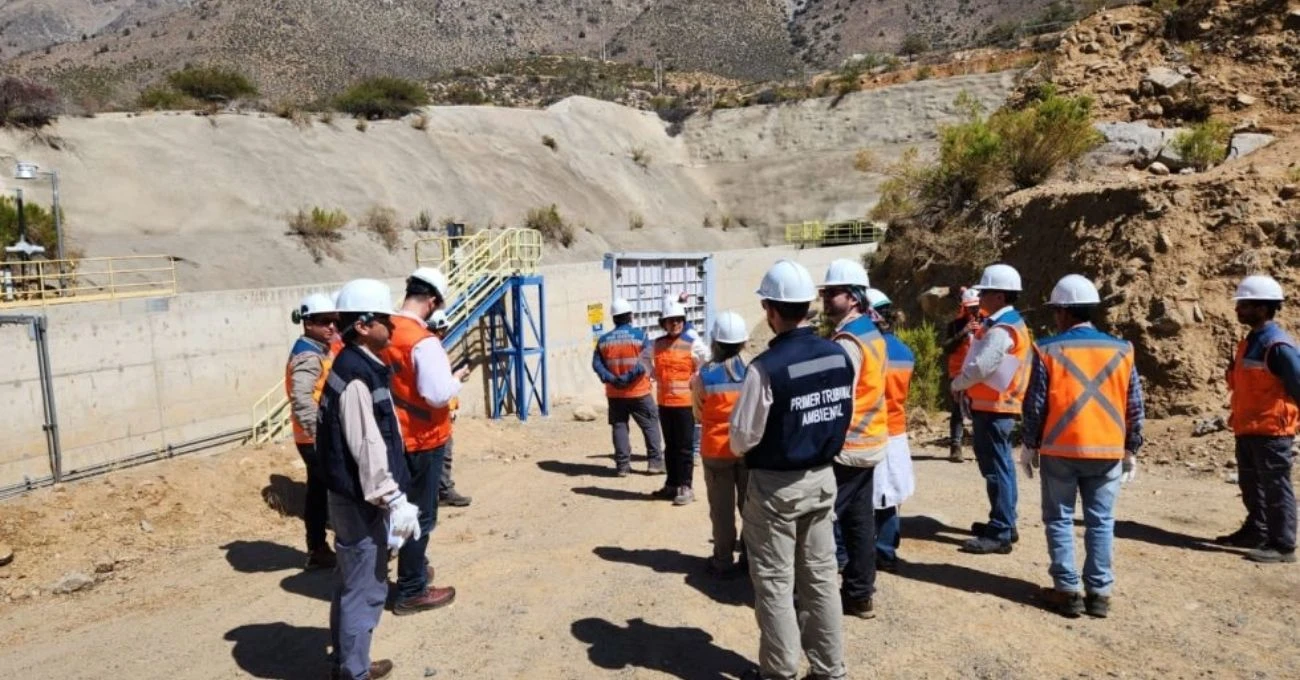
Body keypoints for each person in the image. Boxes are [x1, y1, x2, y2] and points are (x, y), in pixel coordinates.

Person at [731, 259, 853, 680]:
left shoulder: (765, 368)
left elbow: (742, 437)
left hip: (775, 489)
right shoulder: (838, 354)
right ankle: (830, 670)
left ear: (770, 310)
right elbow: (841, 413)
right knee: (820, 581)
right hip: (822, 480)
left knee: (775, 584)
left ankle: (779, 673)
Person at [1021, 274, 1144, 618]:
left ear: (1063, 311)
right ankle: (1100, 594)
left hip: (1061, 449)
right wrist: (1131, 447)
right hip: (1107, 450)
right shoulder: (1122, 349)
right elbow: (1134, 403)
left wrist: (1030, 443)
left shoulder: (1047, 348)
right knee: (1101, 522)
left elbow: (1036, 404)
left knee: (1059, 520)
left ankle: (1067, 591)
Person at [316, 278, 420, 680]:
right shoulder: (357, 376)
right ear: (361, 325)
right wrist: (393, 500)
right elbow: (367, 448)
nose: (391, 328)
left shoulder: (354, 368)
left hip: (349, 497)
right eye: (383, 320)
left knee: (349, 582)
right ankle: (353, 672)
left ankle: (349, 661)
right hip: (361, 501)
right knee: (366, 588)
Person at [382, 268, 465, 616]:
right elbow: (436, 394)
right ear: (432, 302)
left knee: (398, 511)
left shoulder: (383, 330)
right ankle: (413, 590)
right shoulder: (422, 340)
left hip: (392, 437)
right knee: (420, 517)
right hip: (423, 439)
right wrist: (456, 380)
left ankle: (411, 570)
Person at [819, 259, 889, 619]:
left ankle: (813, 598)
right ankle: (860, 595)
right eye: (825, 292)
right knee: (860, 523)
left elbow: (837, 397)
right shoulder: (870, 332)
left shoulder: (848, 341)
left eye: (832, 293)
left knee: (821, 517)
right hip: (871, 441)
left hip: (848, 447)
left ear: (854, 296)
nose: (825, 298)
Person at [1219, 274, 1300, 564]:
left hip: (1271, 430)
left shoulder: (1278, 345)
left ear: (1264, 309)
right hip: (1248, 426)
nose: (1238, 309)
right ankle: (1257, 530)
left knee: (1276, 487)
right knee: (1252, 484)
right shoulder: (1251, 342)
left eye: (1245, 304)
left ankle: (1283, 544)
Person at [952, 263, 1032, 555]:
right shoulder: (1005, 323)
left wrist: (959, 382)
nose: (981, 296)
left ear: (999, 296)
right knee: (1002, 467)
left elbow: (983, 366)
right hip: (997, 407)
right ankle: (1004, 524)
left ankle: (1000, 531)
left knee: (996, 469)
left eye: (985, 291)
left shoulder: (1003, 328)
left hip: (995, 408)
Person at [691, 311, 751, 577]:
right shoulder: (754, 370)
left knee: (722, 509)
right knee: (750, 507)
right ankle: (750, 558)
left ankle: (723, 560)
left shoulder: (705, 375)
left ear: (715, 341)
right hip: (749, 450)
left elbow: (698, 413)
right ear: (743, 342)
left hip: (716, 450)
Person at [285, 292, 341, 570]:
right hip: (314, 437)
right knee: (338, 490)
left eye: (334, 320)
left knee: (318, 492)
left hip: (310, 435)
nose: (331, 326)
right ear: (308, 323)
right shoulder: (308, 355)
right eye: (324, 321)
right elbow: (302, 397)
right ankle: (338, 547)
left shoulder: (315, 348)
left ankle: (318, 548)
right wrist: (319, 437)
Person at [866, 288, 916, 574]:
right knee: (890, 495)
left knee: (865, 494)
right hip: (896, 431)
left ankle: (853, 550)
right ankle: (886, 550)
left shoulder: (868, 349)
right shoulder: (905, 351)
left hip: (869, 430)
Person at [592, 298, 665, 476]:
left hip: (615, 393)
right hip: (639, 391)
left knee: (619, 426)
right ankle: (655, 463)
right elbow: (644, 363)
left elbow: (596, 364)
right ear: (631, 316)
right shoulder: (640, 336)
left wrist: (612, 379)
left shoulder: (603, 340)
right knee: (650, 425)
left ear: (614, 318)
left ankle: (623, 467)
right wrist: (627, 378)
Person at [651, 299, 709, 505]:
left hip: (684, 404)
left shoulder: (691, 343)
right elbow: (642, 359)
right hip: (665, 403)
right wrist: (652, 374)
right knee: (671, 446)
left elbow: (706, 357)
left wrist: (697, 374)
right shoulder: (657, 344)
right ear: (663, 323)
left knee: (684, 447)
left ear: (683, 321)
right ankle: (671, 485)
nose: (675, 324)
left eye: (678, 320)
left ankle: (686, 486)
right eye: (670, 320)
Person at [427, 310, 472, 507]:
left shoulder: (431, 349)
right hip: (434, 414)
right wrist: (458, 378)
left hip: (439, 411)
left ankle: (442, 490)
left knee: (442, 454)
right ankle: (442, 492)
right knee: (440, 454)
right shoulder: (430, 351)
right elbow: (439, 385)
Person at [942, 287, 982, 462]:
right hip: (958, 372)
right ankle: (955, 446)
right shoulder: (955, 325)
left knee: (979, 409)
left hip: (978, 371)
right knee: (957, 410)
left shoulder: (987, 322)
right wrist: (963, 332)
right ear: (964, 307)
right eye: (970, 307)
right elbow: (947, 347)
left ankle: (980, 447)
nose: (974, 310)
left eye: (976, 307)